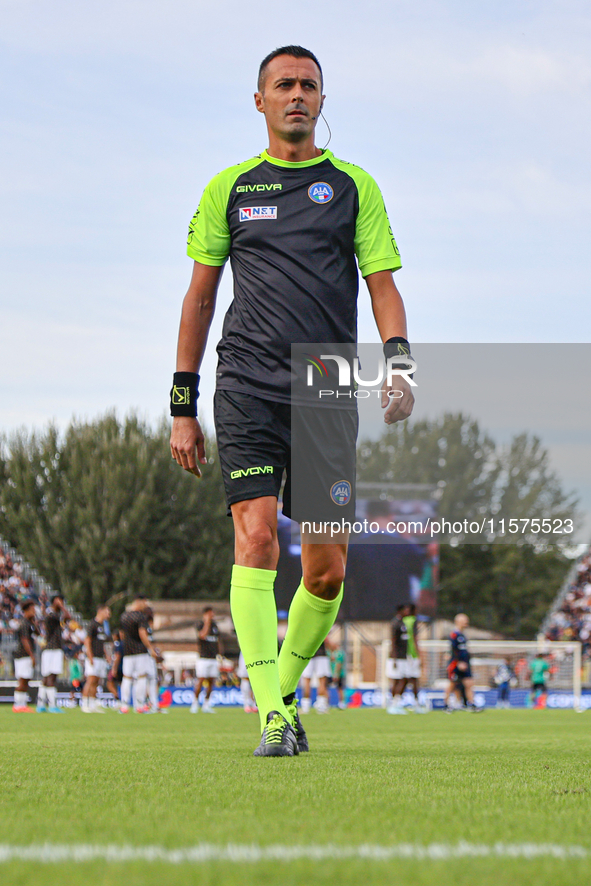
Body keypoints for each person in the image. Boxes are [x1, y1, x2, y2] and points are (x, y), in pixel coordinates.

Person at [170, 45, 413, 756]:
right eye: (284, 84)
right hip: (244, 381)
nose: (297, 94)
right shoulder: (229, 188)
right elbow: (200, 296)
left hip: (327, 386)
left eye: (308, 84)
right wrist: (182, 402)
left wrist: (400, 364)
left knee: (326, 568)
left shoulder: (352, 187)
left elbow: (383, 287)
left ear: (321, 100)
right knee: (255, 538)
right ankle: (271, 715)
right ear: (260, 101)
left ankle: (285, 690)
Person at [119, 595, 160, 713]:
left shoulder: (124, 616)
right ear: (139, 602)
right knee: (141, 678)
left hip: (127, 652)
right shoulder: (141, 617)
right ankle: (139, 705)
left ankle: (124, 705)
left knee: (127, 678)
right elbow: (143, 634)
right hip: (140, 651)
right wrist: (150, 648)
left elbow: (122, 634)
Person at [37, 594, 70, 713]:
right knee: (52, 676)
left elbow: (66, 620)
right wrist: (61, 606)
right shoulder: (51, 614)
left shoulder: (52, 614)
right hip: (53, 648)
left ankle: (41, 704)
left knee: (46, 677)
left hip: (50, 648)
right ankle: (52, 704)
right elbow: (67, 616)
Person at [444, 613, 481, 713]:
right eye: (464, 620)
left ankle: (471, 704)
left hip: (465, 664)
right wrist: (458, 662)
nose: (466, 622)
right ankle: (446, 704)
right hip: (456, 664)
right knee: (452, 684)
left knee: (469, 683)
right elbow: (453, 649)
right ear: (458, 622)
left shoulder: (463, 635)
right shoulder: (454, 634)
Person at [81, 604, 111, 713]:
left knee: (96, 681)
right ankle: (84, 704)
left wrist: (106, 655)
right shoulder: (92, 624)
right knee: (90, 680)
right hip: (93, 657)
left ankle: (92, 704)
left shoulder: (103, 626)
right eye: (107, 611)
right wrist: (90, 656)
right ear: (101, 611)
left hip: (100, 657)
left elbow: (101, 643)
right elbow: (87, 641)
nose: (109, 614)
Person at [191, 607, 221, 713]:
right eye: (210, 614)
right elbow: (203, 635)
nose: (212, 616)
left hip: (213, 658)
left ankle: (206, 704)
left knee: (211, 681)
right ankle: (195, 703)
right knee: (201, 679)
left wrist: (220, 655)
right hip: (203, 658)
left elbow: (217, 641)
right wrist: (207, 622)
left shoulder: (215, 626)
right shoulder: (200, 624)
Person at [12, 598, 37, 712]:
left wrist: (33, 621)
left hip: (25, 655)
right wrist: (31, 655)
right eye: (32, 609)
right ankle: (18, 705)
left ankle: (22, 704)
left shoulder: (29, 622)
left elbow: (38, 633)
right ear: (27, 610)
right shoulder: (23, 623)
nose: (35, 611)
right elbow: (24, 639)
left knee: (26, 679)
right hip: (23, 655)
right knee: (22, 679)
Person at [387, 604, 409, 714]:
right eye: (405, 609)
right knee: (399, 680)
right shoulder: (395, 623)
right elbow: (393, 641)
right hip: (397, 657)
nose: (407, 611)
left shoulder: (403, 623)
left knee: (401, 680)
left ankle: (395, 703)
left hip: (403, 656)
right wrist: (394, 658)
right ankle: (394, 704)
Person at [300, 638, 331, 714]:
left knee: (306, 680)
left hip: (307, 654)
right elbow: (327, 640)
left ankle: (305, 707)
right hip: (321, 655)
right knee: (322, 681)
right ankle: (321, 707)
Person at [326, 636, 346, 709]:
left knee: (340, 688)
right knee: (326, 688)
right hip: (330, 673)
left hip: (339, 674)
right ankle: (326, 703)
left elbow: (338, 664)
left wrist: (336, 675)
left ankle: (341, 704)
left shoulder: (339, 653)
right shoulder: (330, 653)